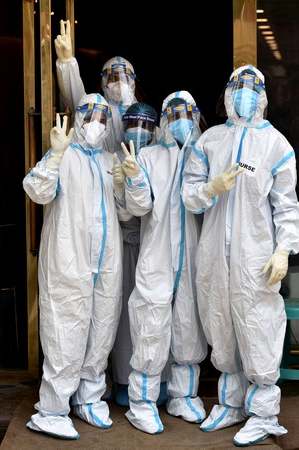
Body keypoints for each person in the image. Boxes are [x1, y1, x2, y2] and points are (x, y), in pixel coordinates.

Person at [181, 65, 299, 446]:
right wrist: (210, 188)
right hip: (215, 257)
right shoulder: (210, 141)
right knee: (221, 324)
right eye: (237, 87)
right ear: (227, 94)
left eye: (252, 88)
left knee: (258, 328)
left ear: (263, 96)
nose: (244, 94)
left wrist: (284, 249)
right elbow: (189, 195)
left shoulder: (276, 146)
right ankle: (230, 403)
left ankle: (265, 413)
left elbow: (287, 207)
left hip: (256, 258)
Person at [23, 94, 128, 439]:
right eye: (89, 116)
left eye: (102, 117)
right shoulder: (63, 156)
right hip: (68, 260)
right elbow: (37, 190)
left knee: (102, 325)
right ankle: (52, 409)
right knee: (65, 327)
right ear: (78, 119)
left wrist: (127, 182)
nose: (96, 123)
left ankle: (89, 396)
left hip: (105, 262)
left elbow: (129, 211)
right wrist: (54, 155)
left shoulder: (111, 159)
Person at [116, 91, 208, 434]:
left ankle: (183, 396)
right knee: (151, 323)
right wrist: (135, 178)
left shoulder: (204, 152)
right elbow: (138, 208)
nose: (181, 119)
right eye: (174, 113)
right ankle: (141, 403)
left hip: (192, 256)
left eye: (187, 112)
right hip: (156, 253)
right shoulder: (152, 156)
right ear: (165, 120)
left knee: (188, 325)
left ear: (196, 116)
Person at [110, 102, 164, 407]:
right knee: (123, 319)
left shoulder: (160, 157)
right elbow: (123, 210)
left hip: (156, 248)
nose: (139, 132)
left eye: (145, 125)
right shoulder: (116, 158)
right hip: (126, 247)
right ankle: (122, 380)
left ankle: (161, 381)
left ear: (155, 129)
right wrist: (122, 184)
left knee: (157, 316)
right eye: (132, 124)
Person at [55, 19, 138, 157]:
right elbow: (73, 91)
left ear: (132, 83)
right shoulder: (95, 108)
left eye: (124, 78)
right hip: (98, 171)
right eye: (113, 78)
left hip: (132, 174)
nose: (119, 83)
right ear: (104, 82)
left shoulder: (141, 113)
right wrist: (67, 62)